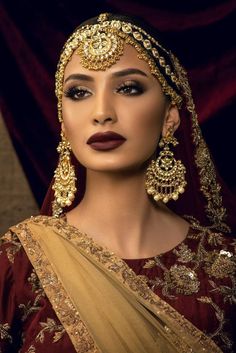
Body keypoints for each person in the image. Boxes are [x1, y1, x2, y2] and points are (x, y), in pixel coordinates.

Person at [0, 12, 235, 353]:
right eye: (79, 92)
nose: (101, 112)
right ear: (63, 122)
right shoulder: (19, 263)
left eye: (128, 88)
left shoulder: (223, 269)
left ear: (170, 117)